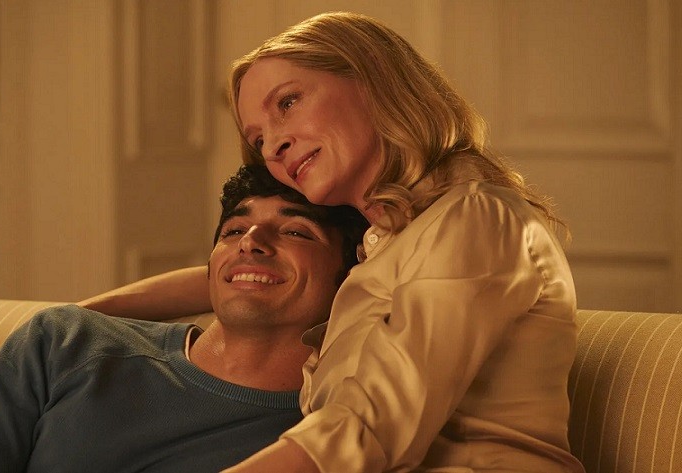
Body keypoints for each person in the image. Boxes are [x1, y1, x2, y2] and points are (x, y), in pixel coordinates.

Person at [83, 11, 584, 473]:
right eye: (258, 139)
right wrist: (75, 316)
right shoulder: (383, 245)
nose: (274, 146)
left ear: (374, 80)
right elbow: (230, 275)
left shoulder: (474, 218)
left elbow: (371, 425)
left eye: (288, 102)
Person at [0, 164, 369, 473]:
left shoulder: (339, 431)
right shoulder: (66, 340)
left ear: (351, 276)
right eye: (233, 230)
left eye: (295, 231)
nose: (250, 241)